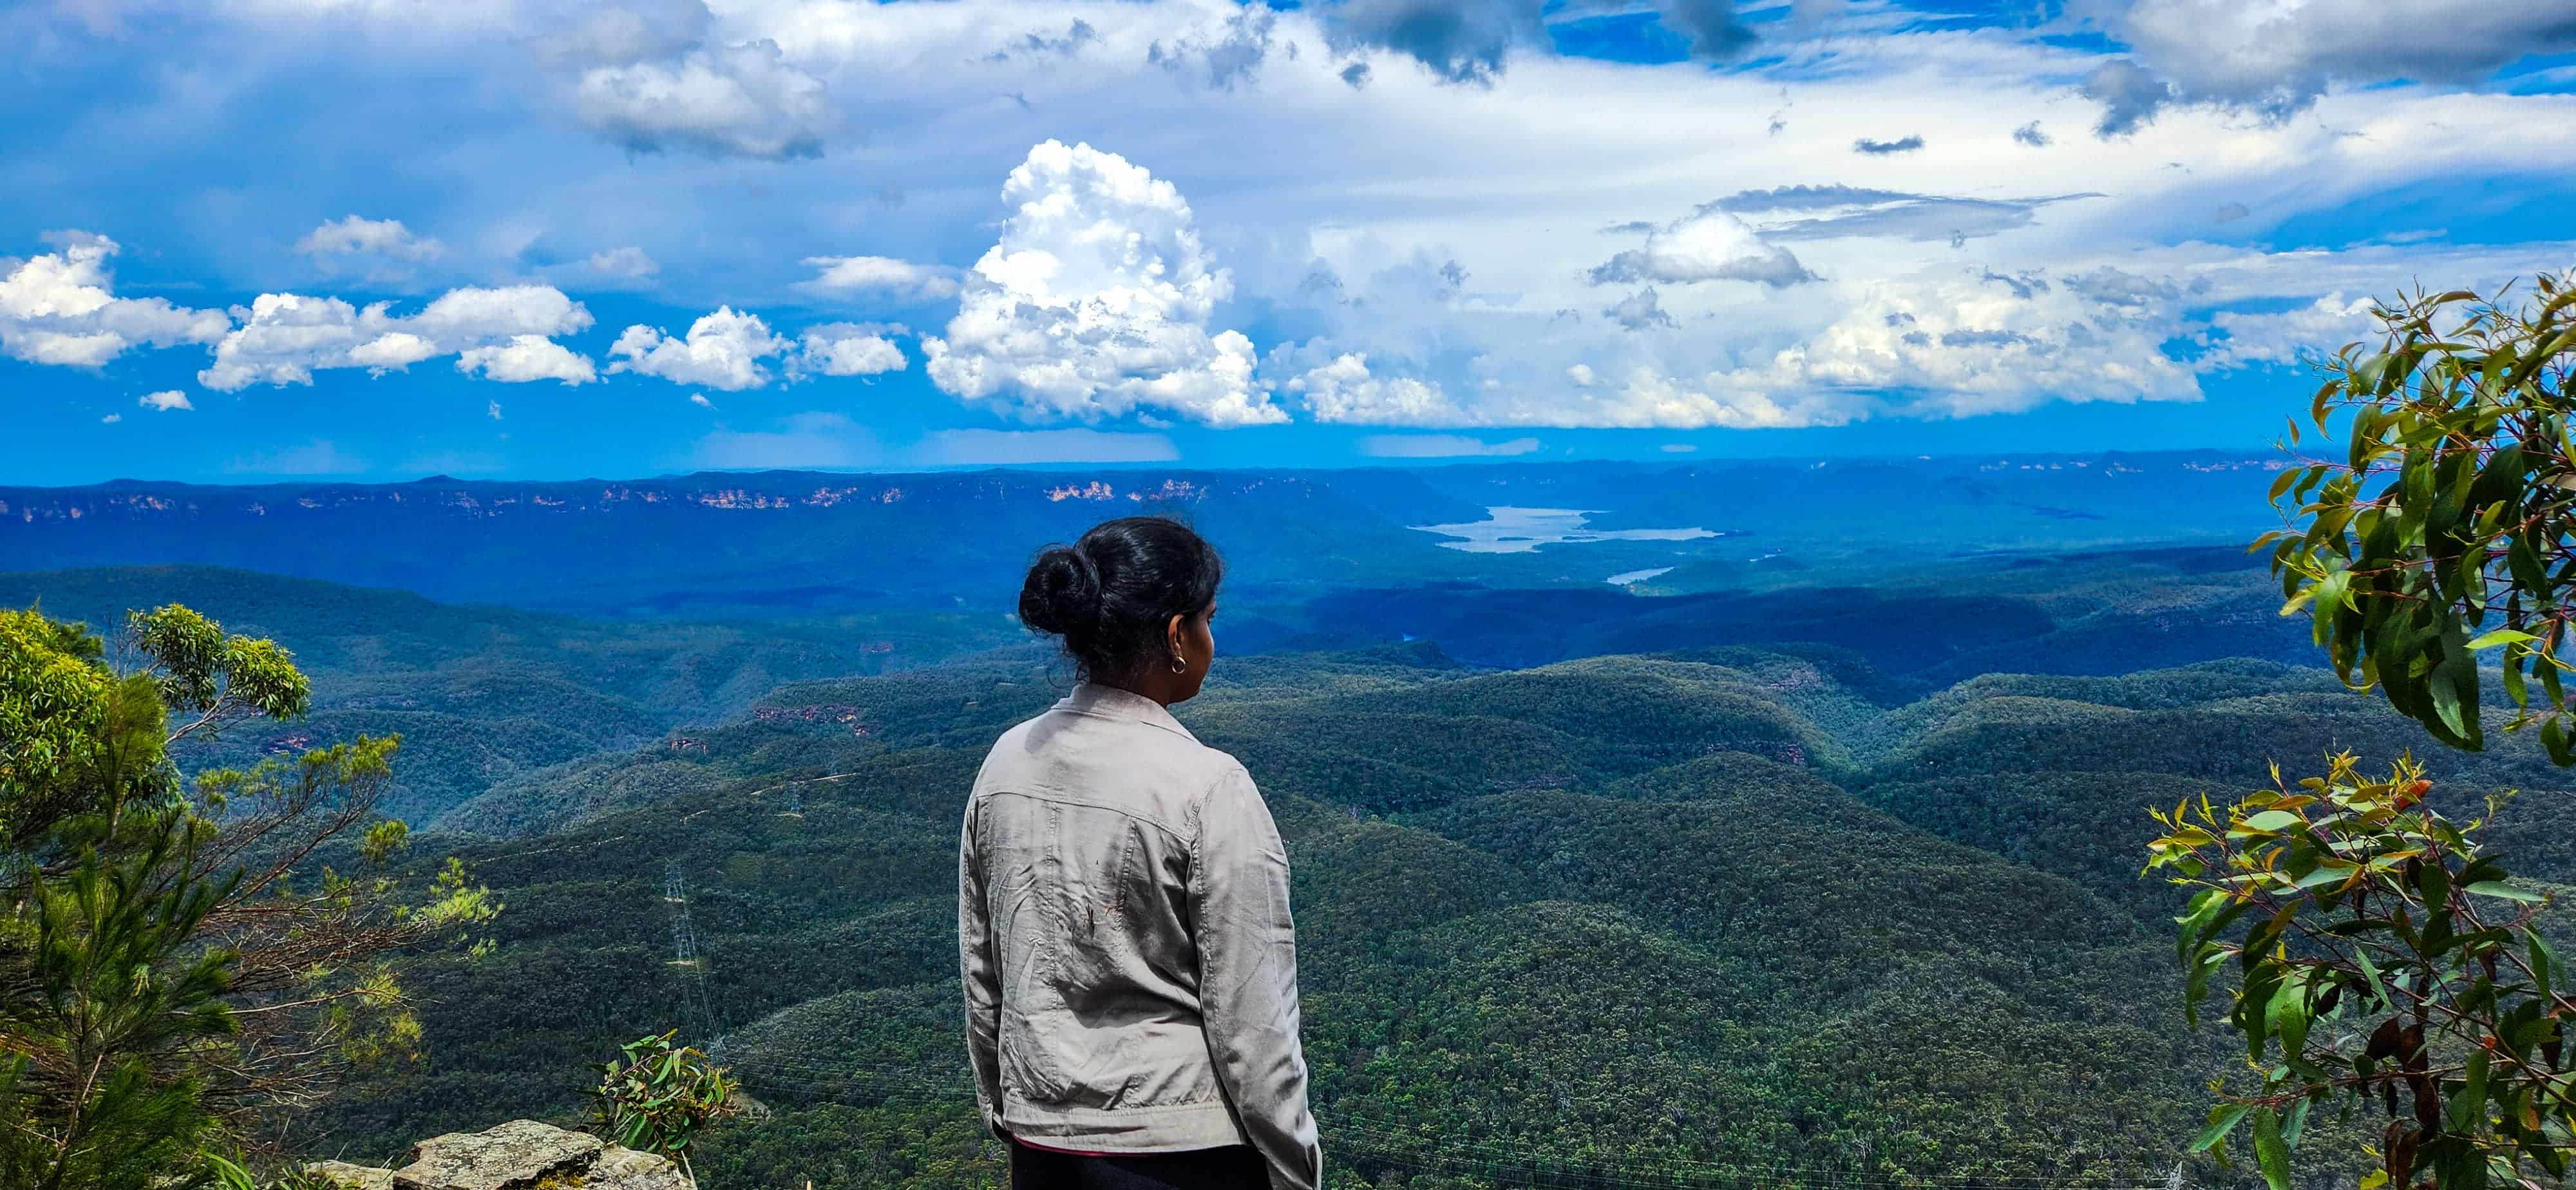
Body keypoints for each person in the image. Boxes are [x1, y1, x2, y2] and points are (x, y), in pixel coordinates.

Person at [959, 516, 1323, 1190]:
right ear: (1176, 635)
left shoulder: (1005, 763)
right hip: (1187, 1152)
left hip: (1045, 1148)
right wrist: (1295, 1169)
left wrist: (1010, 1112)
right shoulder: (1209, 786)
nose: (1212, 639)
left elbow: (985, 971)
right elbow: (1254, 1024)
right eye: (1208, 620)